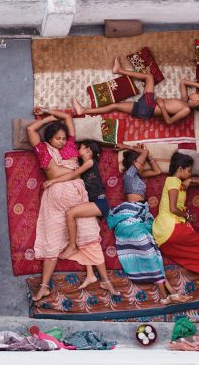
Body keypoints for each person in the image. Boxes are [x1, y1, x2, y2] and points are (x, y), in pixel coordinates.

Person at [26, 108, 105, 302]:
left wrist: (47, 111)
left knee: (88, 233)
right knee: (51, 242)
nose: (61, 141)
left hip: (74, 193)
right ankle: (44, 286)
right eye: (57, 138)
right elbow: (31, 129)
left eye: (63, 138)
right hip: (56, 197)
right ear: (49, 139)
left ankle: (96, 275)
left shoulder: (71, 147)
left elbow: (68, 117)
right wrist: (49, 118)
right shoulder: (43, 150)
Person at [45, 141, 120, 296]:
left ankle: (72, 246)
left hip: (100, 203)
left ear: (88, 149)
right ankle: (92, 275)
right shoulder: (83, 164)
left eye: (81, 147)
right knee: (86, 236)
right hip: (92, 203)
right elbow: (73, 175)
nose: (78, 150)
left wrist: (53, 180)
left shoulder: (90, 162)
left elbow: (72, 175)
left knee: (70, 214)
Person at [152, 153, 199, 303]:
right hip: (170, 227)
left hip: (163, 237)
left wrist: (190, 180)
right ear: (180, 169)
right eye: (189, 170)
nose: (190, 172)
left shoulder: (178, 182)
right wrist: (186, 216)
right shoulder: (173, 181)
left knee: (198, 257)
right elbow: (173, 208)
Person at [106, 145, 172, 299]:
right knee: (149, 250)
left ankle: (167, 293)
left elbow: (157, 171)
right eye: (140, 162)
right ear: (135, 163)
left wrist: (147, 157)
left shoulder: (139, 176)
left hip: (140, 213)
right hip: (131, 213)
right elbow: (145, 152)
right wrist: (128, 147)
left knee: (154, 251)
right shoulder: (128, 175)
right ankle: (165, 295)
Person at [72, 58, 199, 124]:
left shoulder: (186, 110)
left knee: (149, 77)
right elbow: (183, 82)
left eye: (197, 94)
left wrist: (162, 106)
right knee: (115, 106)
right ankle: (83, 111)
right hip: (145, 110)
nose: (194, 93)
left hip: (150, 107)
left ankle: (119, 70)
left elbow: (169, 121)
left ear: (198, 101)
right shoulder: (184, 101)